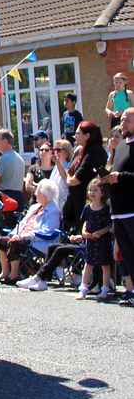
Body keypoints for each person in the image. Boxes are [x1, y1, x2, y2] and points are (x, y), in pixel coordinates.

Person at [0, 179, 61, 284]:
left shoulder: (54, 211)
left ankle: (14, 274)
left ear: (44, 195)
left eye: (38, 192)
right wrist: (14, 233)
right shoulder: (34, 207)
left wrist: (24, 237)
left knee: (14, 243)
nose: (35, 194)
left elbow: (46, 232)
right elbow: (22, 224)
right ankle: (5, 271)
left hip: (36, 241)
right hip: (22, 236)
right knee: (0, 241)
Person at [101, 105, 134, 307]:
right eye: (122, 120)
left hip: (132, 209)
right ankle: (131, 290)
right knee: (127, 254)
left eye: (127, 120)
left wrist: (119, 177)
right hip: (118, 211)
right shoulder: (121, 146)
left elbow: (124, 176)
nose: (123, 124)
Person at [62, 121, 107, 234]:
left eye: (78, 133)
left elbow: (75, 180)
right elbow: (68, 172)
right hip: (74, 200)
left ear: (87, 136)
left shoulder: (94, 151)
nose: (75, 136)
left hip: (85, 200)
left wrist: (68, 178)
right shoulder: (80, 150)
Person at [74, 179, 113, 302]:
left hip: (102, 240)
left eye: (95, 190)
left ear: (102, 193)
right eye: (90, 190)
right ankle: (83, 289)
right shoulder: (87, 208)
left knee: (105, 265)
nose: (92, 192)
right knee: (88, 264)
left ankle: (105, 288)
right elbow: (85, 221)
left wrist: (100, 232)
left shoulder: (105, 208)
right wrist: (84, 232)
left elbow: (109, 225)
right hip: (90, 240)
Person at [0, 129, 25, 210]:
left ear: (5, 141)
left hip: (5, 200)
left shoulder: (2, 160)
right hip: (19, 199)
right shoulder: (20, 159)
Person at [48, 138, 73, 210]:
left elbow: (66, 180)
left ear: (67, 151)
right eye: (54, 150)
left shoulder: (70, 166)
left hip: (66, 207)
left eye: (59, 150)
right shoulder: (55, 167)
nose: (56, 152)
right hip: (55, 207)